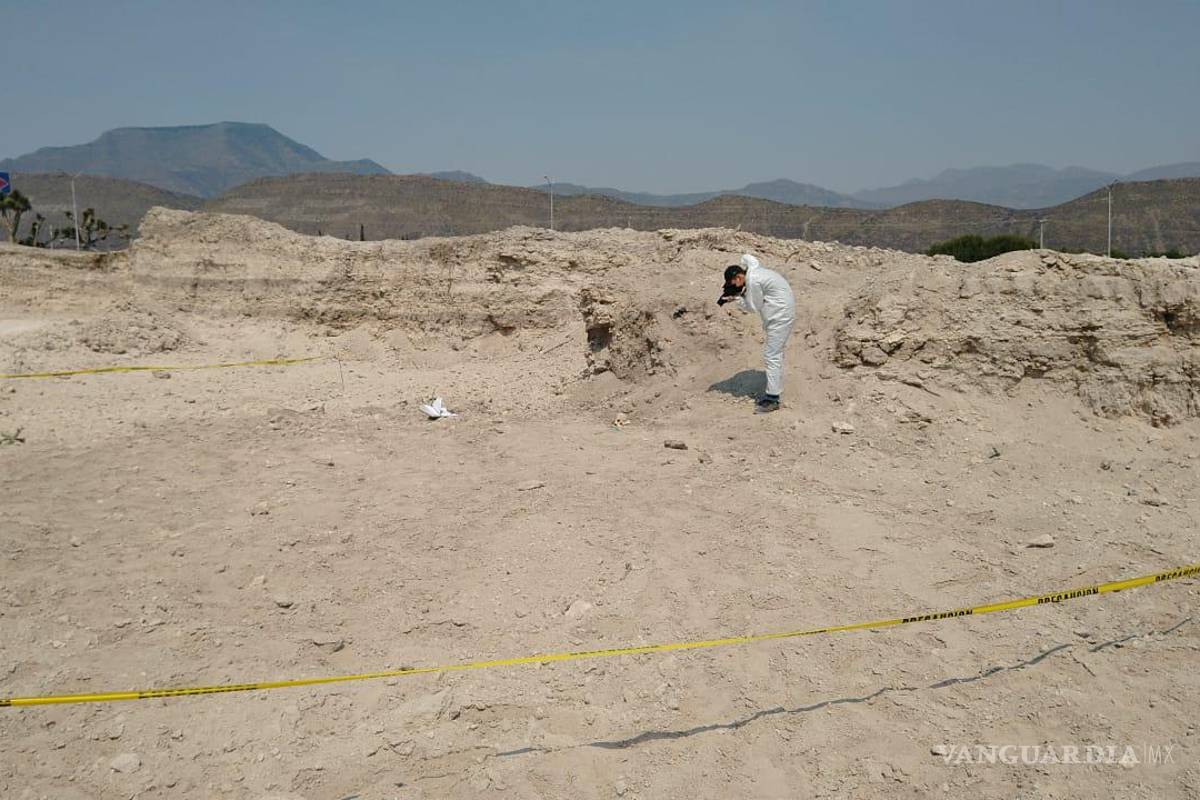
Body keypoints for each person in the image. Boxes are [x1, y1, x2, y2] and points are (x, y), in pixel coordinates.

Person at [718, 253, 796, 413]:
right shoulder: (756, 272)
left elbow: (754, 307)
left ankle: (772, 399)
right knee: (774, 354)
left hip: (779, 317)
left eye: (734, 283)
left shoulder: (753, 280)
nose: (735, 286)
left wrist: (737, 299)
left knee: (771, 355)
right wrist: (742, 295)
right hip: (780, 314)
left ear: (739, 277)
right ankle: (774, 389)